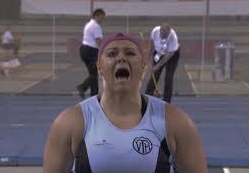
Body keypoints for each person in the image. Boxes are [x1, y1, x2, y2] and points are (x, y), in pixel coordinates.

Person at [43, 33, 207, 173]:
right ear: (99, 67)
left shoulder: (175, 121)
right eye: (112, 54)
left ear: (143, 66)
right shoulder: (70, 122)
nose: (121, 58)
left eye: (130, 53)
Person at [145, 23, 180, 103]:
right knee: (155, 74)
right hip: (159, 52)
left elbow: (169, 55)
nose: (163, 37)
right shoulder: (155, 31)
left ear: (168, 33)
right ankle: (147, 96)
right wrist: (150, 61)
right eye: (162, 35)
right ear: (160, 31)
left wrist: (158, 65)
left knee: (168, 78)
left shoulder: (173, 37)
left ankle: (167, 101)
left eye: (165, 36)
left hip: (172, 56)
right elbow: (151, 47)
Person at [76, 8, 106, 99]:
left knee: (93, 74)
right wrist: (104, 53)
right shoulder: (96, 26)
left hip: (84, 49)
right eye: (102, 17)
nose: (102, 20)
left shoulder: (88, 24)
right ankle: (83, 87)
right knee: (94, 74)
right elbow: (99, 41)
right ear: (97, 16)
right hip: (91, 51)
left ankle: (94, 95)